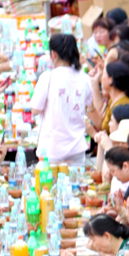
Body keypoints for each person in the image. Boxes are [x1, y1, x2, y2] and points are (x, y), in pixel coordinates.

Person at [30, 32, 91, 166]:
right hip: (77, 148)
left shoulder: (48, 77)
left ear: (54, 54)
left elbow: (35, 109)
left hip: (52, 150)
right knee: (76, 179)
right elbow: (88, 106)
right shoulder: (85, 78)